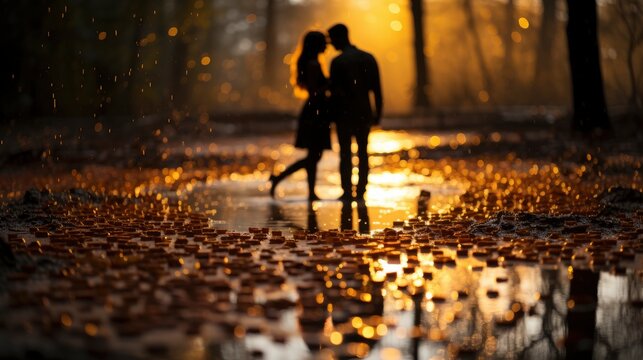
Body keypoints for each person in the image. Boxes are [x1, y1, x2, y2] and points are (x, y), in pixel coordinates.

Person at [269, 31, 331, 201]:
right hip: (316, 112)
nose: (327, 45)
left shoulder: (310, 62)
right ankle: (280, 178)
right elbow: (314, 91)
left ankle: (309, 191)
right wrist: (330, 85)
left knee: (313, 156)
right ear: (316, 45)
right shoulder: (313, 64)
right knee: (314, 156)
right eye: (323, 42)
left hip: (314, 110)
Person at [327, 23, 382, 201]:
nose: (331, 44)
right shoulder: (368, 58)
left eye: (332, 39)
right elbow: (377, 89)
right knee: (363, 152)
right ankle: (361, 191)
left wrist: (330, 115)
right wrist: (378, 113)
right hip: (363, 112)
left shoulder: (337, 62)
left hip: (343, 114)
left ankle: (346, 191)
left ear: (340, 37)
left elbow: (334, 93)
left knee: (345, 153)